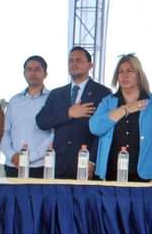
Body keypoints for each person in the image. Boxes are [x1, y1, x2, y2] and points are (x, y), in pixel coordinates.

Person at [89, 54, 152, 182]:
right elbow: (95, 128)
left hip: (146, 176)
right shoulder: (107, 102)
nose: (125, 75)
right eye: (121, 72)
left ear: (139, 75)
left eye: (130, 70)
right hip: (110, 174)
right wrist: (125, 109)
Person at [35, 46, 112, 180]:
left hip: (86, 164)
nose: (73, 63)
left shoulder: (103, 93)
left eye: (78, 60)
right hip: (59, 165)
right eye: (70, 60)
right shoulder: (56, 94)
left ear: (90, 65)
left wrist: (93, 161)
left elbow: (105, 131)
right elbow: (41, 121)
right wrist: (68, 113)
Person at [0, 55, 53, 178]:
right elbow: (5, 132)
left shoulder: (53, 99)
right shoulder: (14, 101)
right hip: (13, 164)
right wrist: (12, 155)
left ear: (45, 74)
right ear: (24, 73)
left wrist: (30, 157)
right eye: (29, 69)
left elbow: (54, 135)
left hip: (40, 165)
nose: (33, 73)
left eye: (37, 69)